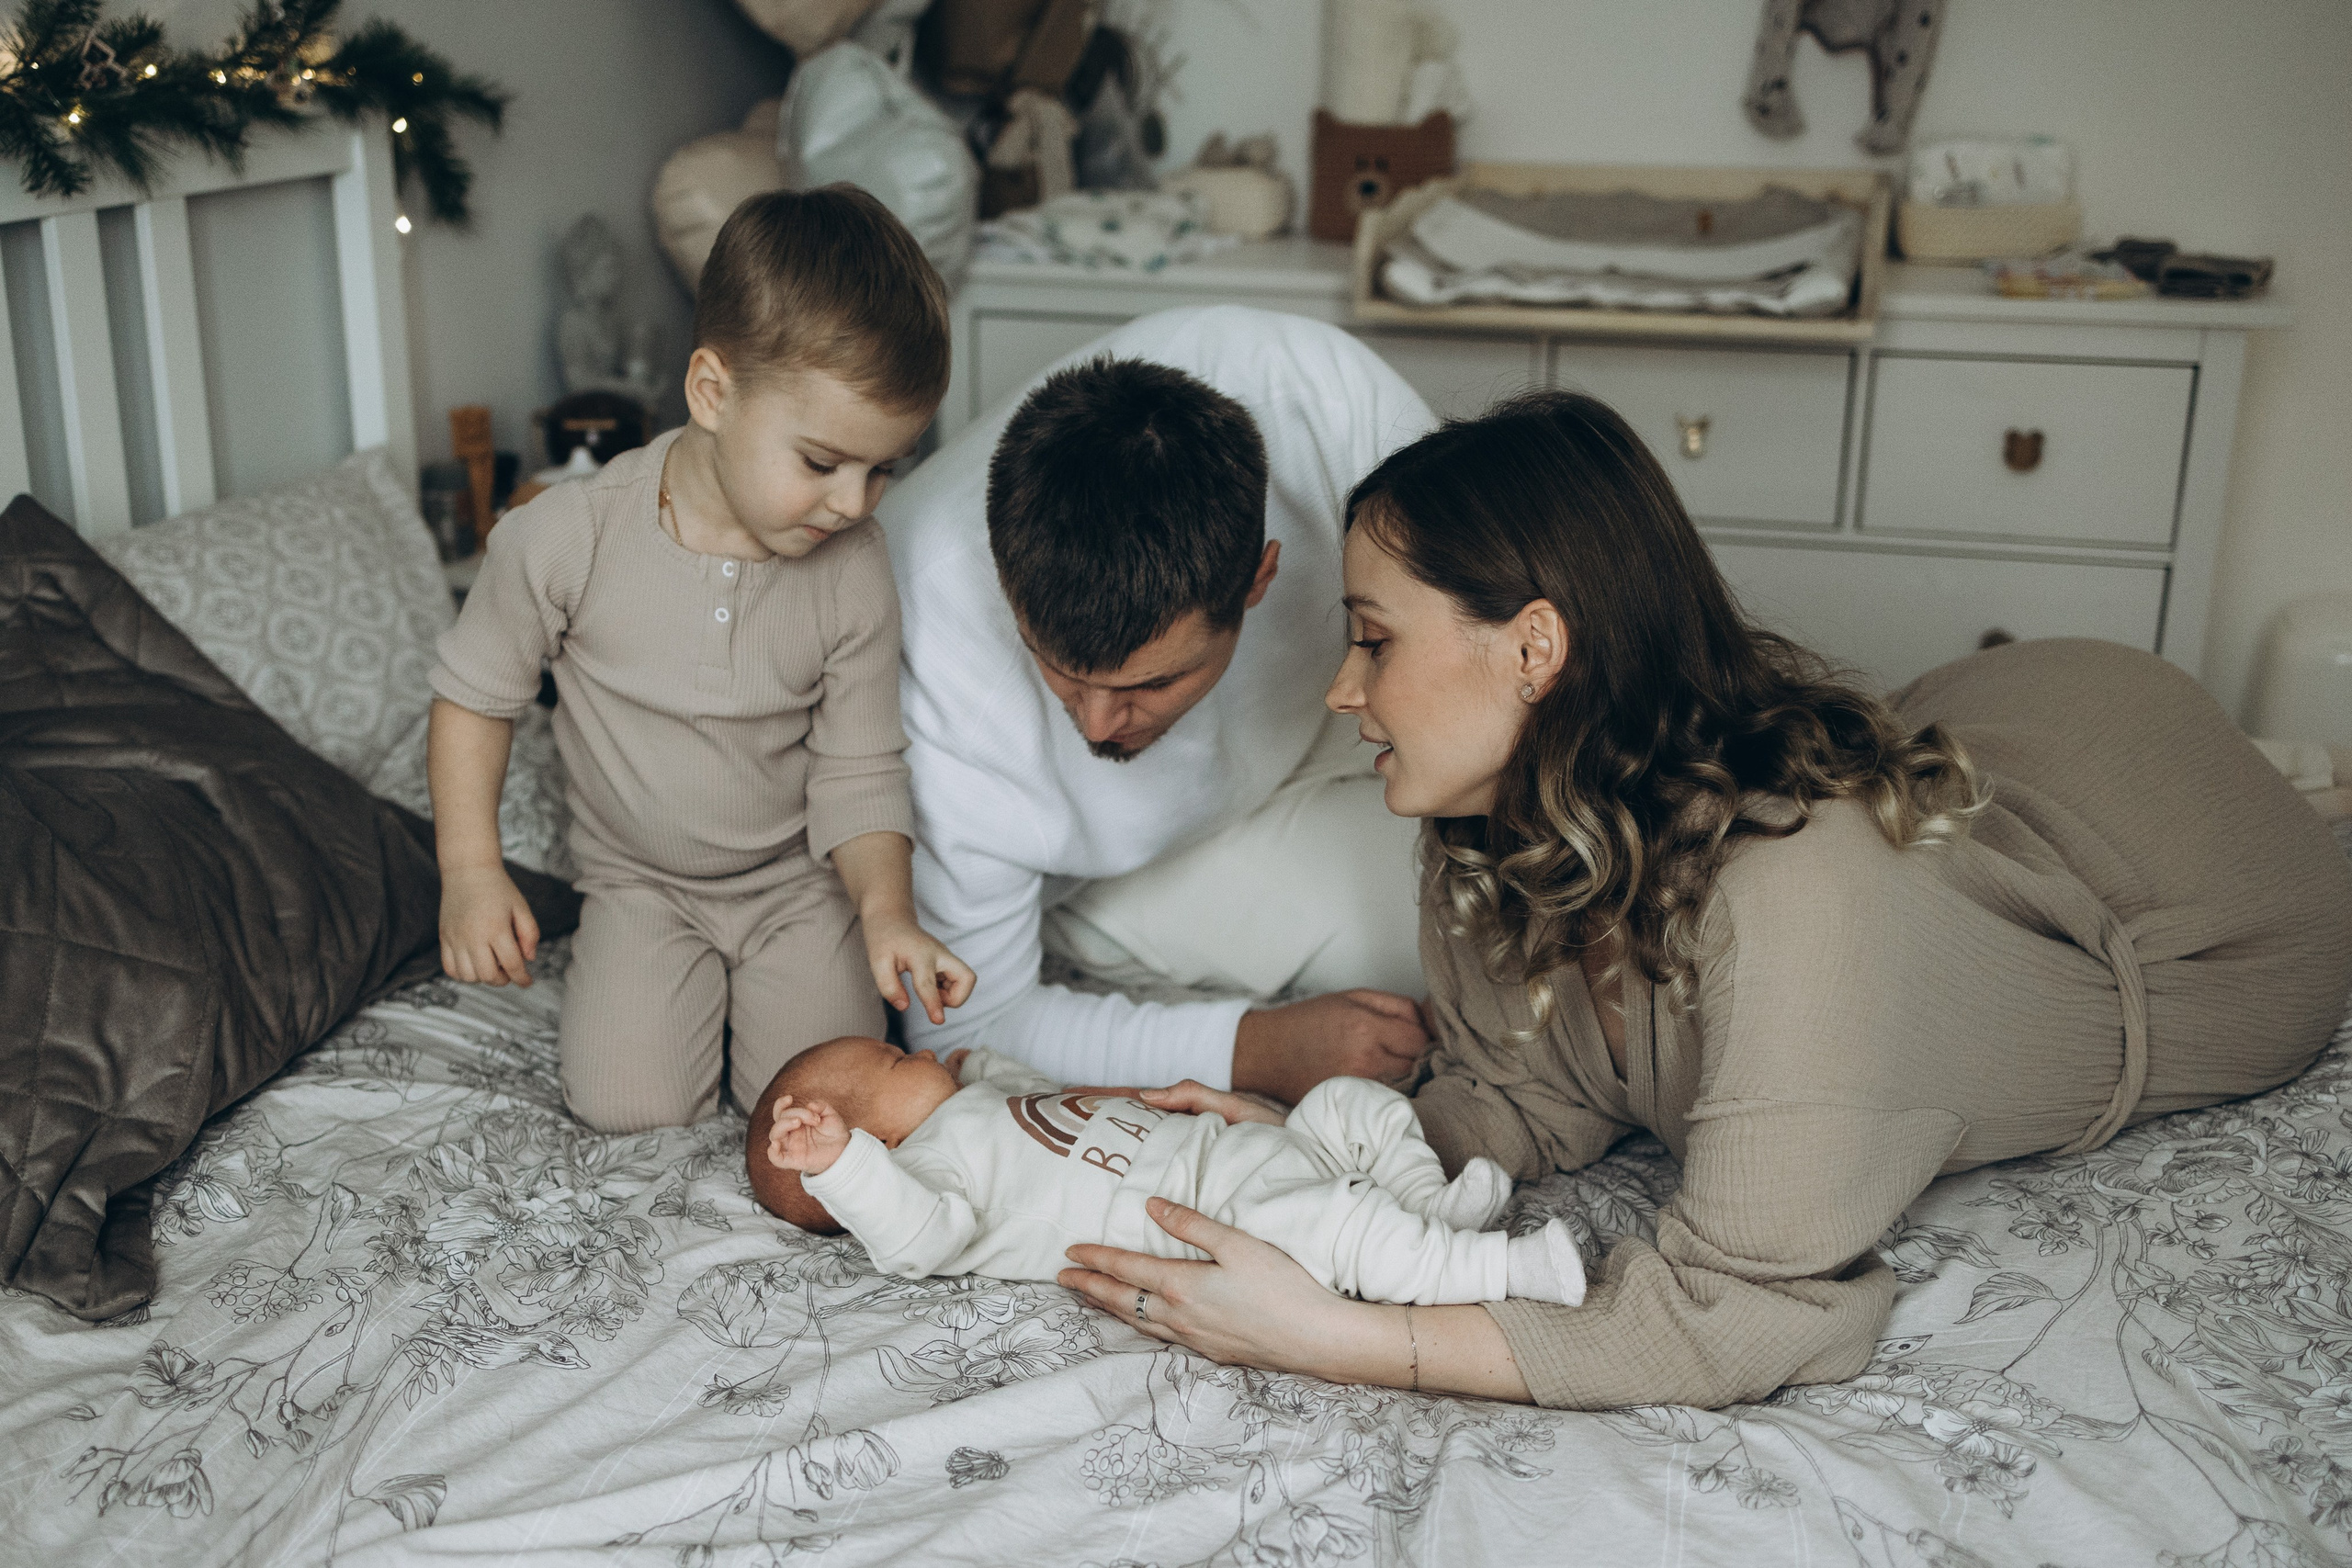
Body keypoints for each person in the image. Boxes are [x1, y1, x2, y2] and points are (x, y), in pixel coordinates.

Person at [1058, 389, 2352, 1410]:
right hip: (1979, 726)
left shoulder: (1801, 889)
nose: (1343, 690)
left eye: (1374, 638)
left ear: (1534, 646)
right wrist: (1313, 1139)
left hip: (2181, 869)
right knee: (1876, 766)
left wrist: (1339, 1335)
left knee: (1871, 825)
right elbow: (1527, 1091)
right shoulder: (1486, 818)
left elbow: (1750, 1306)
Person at [429, 186, 975, 1134]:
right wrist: (471, 870)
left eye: (883, 468)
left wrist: (884, 912)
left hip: (797, 889)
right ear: (712, 393)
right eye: (821, 463)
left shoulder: (852, 566)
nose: (854, 502)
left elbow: (858, 766)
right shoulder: (567, 537)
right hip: (641, 887)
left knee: (823, 1111)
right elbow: (475, 699)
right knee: (627, 1109)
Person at [879, 305, 1438, 1100]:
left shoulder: (1329, 408)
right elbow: (967, 1027)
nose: (1100, 725)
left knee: (1546, 918)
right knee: (1440, 953)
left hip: (1330, 733)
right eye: (1064, 673)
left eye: (1150, 684)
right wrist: (1259, 1048)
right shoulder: (928, 659)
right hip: (1119, 871)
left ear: (1258, 579)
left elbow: (1484, 640)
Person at [747, 1035, 1585, 1306]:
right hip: (1213, 1215)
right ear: (877, 1143)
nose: (921, 1049)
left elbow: (1043, 1100)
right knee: (1337, 1228)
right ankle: (1499, 1270)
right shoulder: (926, 1175)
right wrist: (840, 1169)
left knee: (1348, 1104)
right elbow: (913, 1240)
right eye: (899, 1058)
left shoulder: (974, 1101)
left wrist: (982, 1062)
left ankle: (1427, 1203)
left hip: (1242, 1148)